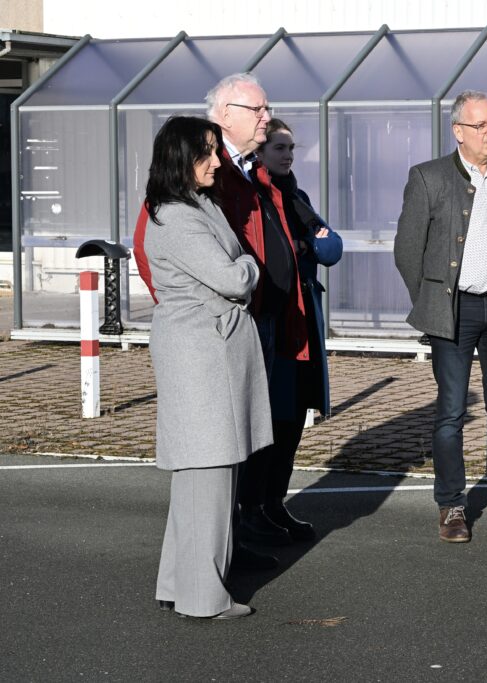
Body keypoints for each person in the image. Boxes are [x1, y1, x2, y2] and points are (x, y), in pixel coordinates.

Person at [135, 73, 309, 568]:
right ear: (226, 114)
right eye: (258, 109)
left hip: (256, 320)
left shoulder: (255, 173)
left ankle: (240, 532)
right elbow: (155, 252)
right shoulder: (199, 184)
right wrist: (196, 310)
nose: (266, 117)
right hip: (217, 328)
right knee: (217, 451)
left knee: (250, 436)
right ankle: (216, 560)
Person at [393, 90, 487, 543]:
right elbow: (407, 250)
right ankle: (452, 505)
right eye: (481, 125)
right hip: (454, 309)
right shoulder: (429, 177)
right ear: (458, 131)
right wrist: (431, 302)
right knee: (451, 411)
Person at [145, 116, 272, 619]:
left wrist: (240, 269)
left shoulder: (192, 206)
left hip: (205, 349)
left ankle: (179, 584)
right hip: (201, 354)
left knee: (200, 478)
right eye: (208, 152)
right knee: (209, 474)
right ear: (181, 157)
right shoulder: (178, 216)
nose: (218, 161)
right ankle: (202, 598)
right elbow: (234, 278)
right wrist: (251, 265)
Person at [252, 118, 343, 542]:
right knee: (269, 421)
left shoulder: (296, 197)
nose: (288, 155)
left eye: (291, 148)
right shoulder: (253, 198)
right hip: (272, 323)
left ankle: (275, 504)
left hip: (302, 324)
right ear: (258, 152)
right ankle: (253, 510)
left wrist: (305, 244)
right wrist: (303, 246)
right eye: (279, 148)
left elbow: (332, 246)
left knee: (291, 422)